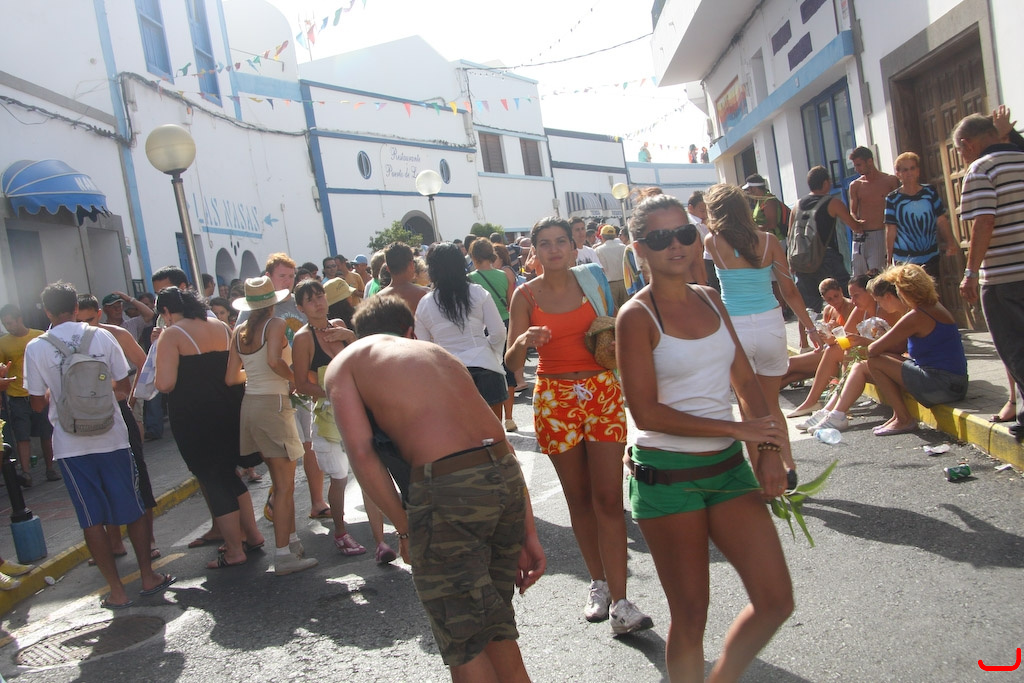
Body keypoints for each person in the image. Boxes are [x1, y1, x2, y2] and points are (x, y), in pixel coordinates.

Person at [616, 190, 792, 681]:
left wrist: (767, 450)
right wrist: (737, 428)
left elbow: (747, 384)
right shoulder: (636, 316)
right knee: (691, 615)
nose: (675, 245)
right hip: (667, 478)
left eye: (683, 233)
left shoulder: (711, 298)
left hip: (728, 470)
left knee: (776, 600)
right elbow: (645, 412)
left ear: (697, 239)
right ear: (640, 249)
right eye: (660, 238)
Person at [326, 294, 545, 682]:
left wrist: (406, 528)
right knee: (492, 626)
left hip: (448, 489)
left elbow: (361, 454)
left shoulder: (347, 362)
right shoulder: (436, 354)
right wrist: (528, 532)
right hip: (502, 479)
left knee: (464, 638)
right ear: (409, 331)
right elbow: (504, 447)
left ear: (358, 334)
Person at [506, 216, 653, 634]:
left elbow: (615, 330)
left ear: (575, 247)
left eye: (561, 242)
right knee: (579, 499)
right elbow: (511, 363)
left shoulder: (593, 279)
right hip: (554, 399)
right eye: (545, 243)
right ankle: (599, 583)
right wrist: (524, 342)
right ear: (534, 251)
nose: (554, 249)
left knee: (608, 498)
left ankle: (621, 603)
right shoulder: (524, 295)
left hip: (601, 391)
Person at [24, 282, 175, 608]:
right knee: (133, 506)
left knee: (91, 517)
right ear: (76, 308)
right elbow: (122, 384)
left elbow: (36, 404)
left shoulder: (36, 347)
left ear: (47, 311)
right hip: (112, 437)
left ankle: (116, 591)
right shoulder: (102, 336)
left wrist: (55, 394)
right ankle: (148, 576)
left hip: (70, 445)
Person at [704, 183, 821, 489]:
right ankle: (788, 466)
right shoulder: (769, 241)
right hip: (770, 324)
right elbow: (789, 289)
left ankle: (762, 477)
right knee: (771, 404)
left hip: (735, 329)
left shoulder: (712, 242)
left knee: (748, 410)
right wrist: (810, 328)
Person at [154, 287, 264, 569]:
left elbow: (164, 383)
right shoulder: (219, 326)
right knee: (229, 474)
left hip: (196, 416)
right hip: (229, 408)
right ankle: (253, 535)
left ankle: (234, 550)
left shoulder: (172, 334)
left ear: (166, 312)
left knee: (213, 479)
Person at [291, 279, 396, 562]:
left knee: (368, 476)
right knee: (338, 479)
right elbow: (300, 384)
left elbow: (364, 359)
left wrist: (349, 336)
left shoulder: (338, 325)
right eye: (310, 300)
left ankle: (380, 542)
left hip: (357, 413)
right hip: (328, 418)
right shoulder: (303, 339)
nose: (318, 303)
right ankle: (340, 532)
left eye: (320, 296)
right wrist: (335, 391)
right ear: (300, 307)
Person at [227, 277, 318, 576]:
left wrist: (255, 374)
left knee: (281, 484)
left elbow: (231, 377)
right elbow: (274, 360)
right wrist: (295, 379)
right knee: (284, 486)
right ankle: (283, 555)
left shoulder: (239, 331)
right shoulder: (275, 324)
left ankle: (290, 542)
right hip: (274, 405)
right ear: (272, 302)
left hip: (251, 404)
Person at [802, 270, 961, 435]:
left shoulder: (916, 315)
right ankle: (837, 412)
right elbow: (897, 348)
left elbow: (874, 349)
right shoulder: (930, 307)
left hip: (943, 385)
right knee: (863, 365)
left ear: (894, 295)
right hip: (949, 382)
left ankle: (902, 419)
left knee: (874, 361)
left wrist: (864, 341)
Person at [955, 112, 1024, 439]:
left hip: (1003, 276)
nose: (962, 157)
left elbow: (983, 222)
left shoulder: (981, 169)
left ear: (967, 144)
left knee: (1014, 347)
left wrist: (970, 272)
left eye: (960, 151)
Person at [76, 295, 160, 563]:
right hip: (87, 418)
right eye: (79, 320)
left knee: (138, 475)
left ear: (99, 314)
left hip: (120, 410)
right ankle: (114, 542)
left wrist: (132, 399)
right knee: (101, 480)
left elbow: (145, 364)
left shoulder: (116, 334)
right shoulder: (68, 340)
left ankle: (149, 541)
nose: (85, 325)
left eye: (89, 319)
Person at [787, 272, 907, 424]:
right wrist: (830, 338)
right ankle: (816, 403)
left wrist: (861, 341)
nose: (853, 301)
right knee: (833, 350)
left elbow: (896, 346)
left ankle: (834, 408)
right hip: (873, 352)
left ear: (869, 293)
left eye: (856, 296)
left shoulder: (886, 310)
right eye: (851, 296)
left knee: (848, 353)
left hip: (887, 355)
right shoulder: (858, 309)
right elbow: (844, 337)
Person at [418, 243, 509, 421]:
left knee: (460, 434)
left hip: (447, 374)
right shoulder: (478, 292)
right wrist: (490, 353)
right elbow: (498, 332)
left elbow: (423, 348)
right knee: (494, 434)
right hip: (485, 367)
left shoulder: (425, 303)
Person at [791, 167, 861, 314]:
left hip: (802, 262)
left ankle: (812, 330)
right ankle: (847, 326)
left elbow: (790, 235)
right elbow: (855, 226)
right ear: (825, 183)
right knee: (842, 298)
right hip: (827, 259)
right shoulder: (832, 203)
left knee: (810, 308)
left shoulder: (797, 205)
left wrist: (792, 263)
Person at [0, 304, 57, 486]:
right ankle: (26, 473)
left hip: (40, 392)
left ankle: (50, 468)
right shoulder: (3, 343)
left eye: (11, 323)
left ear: (20, 319)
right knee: (21, 435)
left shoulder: (39, 336)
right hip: (17, 395)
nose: (9, 327)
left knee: (46, 432)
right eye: (5, 324)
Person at [466, 240, 518, 429]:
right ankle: (509, 418)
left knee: (489, 372)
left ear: (473, 257)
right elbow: (511, 302)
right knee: (508, 370)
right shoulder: (504, 275)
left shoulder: (469, 279)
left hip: (482, 327)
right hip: (505, 322)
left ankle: (492, 419)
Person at [884, 152, 959, 278]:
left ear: (918, 171)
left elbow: (941, 219)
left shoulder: (929, 192)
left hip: (930, 256)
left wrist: (950, 242)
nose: (909, 173)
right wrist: (889, 258)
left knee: (932, 289)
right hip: (905, 260)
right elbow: (891, 230)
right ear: (898, 174)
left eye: (912, 168)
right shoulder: (892, 199)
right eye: (905, 170)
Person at [849, 146, 901, 277]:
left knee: (878, 276)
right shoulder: (856, 185)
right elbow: (852, 211)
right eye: (855, 166)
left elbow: (898, 208)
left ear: (870, 161)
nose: (857, 169)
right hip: (860, 237)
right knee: (859, 278)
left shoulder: (889, 181)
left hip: (880, 234)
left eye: (859, 165)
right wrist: (855, 221)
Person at [688, 191, 719, 292]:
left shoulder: (704, 223)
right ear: (690, 208)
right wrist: (703, 284)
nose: (705, 214)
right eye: (702, 210)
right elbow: (697, 257)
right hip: (701, 277)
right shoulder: (691, 225)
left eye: (707, 211)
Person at [595, 225, 629, 309]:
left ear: (602, 237)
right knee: (627, 310)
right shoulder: (624, 247)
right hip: (625, 283)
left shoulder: (598, 250)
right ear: (615, 235)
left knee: (614, 311)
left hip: (610, 285)